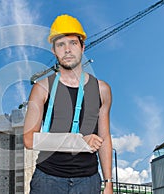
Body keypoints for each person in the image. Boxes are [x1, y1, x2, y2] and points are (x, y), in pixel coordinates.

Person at [23, 14, 113, 194]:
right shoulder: (42, 88)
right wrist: (79, 141)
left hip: (88, 181)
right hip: (47, 179)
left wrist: (108, 182)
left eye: (73, 43)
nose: (67, 49)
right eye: (60, 45)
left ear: (82, 47)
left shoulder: (102, 89)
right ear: (54, 51)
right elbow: (29, 139)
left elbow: (104, 138)